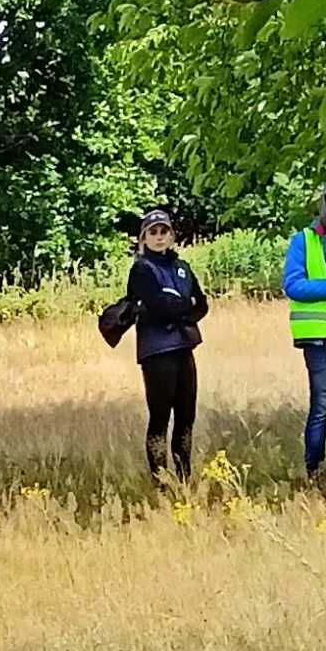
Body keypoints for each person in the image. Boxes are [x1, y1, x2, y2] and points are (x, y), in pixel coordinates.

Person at [100, 207, 207, 485]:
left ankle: (184, 479)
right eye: (153, 233)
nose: (159, 237)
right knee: (160, 417)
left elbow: (202, 303)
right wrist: (184, 306)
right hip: (156, 351)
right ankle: (160, 481)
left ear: (172, 235)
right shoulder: (141, 269)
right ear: (144, 238)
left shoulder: (182, 268)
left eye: (164, 232)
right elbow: (159, 307)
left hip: (183, 346)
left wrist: (179, 307)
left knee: (186, 416)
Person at [284, 207, 326, 479]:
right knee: (323, 403)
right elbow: (293, 285)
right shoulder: (303, 241)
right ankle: (314, 470)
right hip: (317, 337)